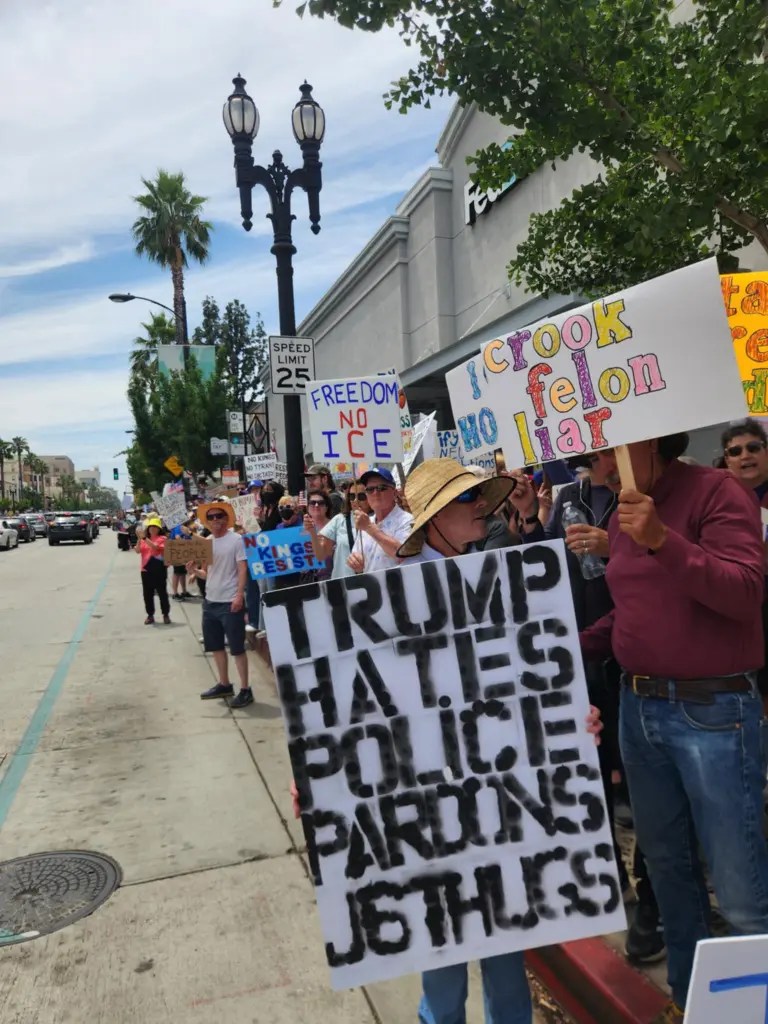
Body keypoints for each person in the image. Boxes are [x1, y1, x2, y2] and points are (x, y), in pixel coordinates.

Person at [393, 458, 604, 1024]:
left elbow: (517, 672)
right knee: (444, 932)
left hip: (496, 785)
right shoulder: (393, 591)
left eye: (483, 497)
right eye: (468, 501)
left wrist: (565, 718)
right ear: (434, 518)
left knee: (506, 926)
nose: (482, 508)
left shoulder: (492, 575)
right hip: (433, 789)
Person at [580, 433, 768, 1024]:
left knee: (739, 885)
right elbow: (632, 607)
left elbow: (744, 592)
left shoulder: (720, 493)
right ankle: (693, 1004)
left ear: (650, 439)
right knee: (668, 870)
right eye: (592, 457)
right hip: (639, 712)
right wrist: (559, 645)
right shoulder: (619, 512)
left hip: (712, 712)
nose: (598, 468)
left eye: (607, 452)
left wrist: (664, 540)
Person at [187, 501, 252, 709]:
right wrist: (195, 572)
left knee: (237, 648)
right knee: (215, 646)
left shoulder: (236, 540)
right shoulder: (207, 542)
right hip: (211, 601)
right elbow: (207, 573)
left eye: (219, 517)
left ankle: (245, 689)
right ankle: (224, 683)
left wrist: (239, 595)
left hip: (230, 601)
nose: (215, 521)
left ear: (226, 519)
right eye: (211, 518)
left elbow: (242, 569)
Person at [346, 467, 413, 573]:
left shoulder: (407, 521)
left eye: (382, 488)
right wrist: (355, 561)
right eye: (370, 489)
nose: (375, 493)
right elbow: (357, 558)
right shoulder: (366, 522)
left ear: (395, 493)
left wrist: (370, 528)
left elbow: (402, 554)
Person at [305, 478, 370, 579]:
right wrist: (312, 532)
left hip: (373, 582)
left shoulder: (379, 519)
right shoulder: (340, 519)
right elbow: (321, 555)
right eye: (351, 496)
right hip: (344, 583)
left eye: (361, 496)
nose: (355, 501)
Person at [135, 517, 171, 625]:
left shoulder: (162, 538)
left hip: (158, 568)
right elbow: (137, 551)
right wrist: (139, 539)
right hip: (145, 569)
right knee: (147, 593)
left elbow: (155, 547)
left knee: (162, 592)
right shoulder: (144, 539)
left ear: (159, 529)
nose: (153, 529)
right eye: (151, 527)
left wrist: (144, 538)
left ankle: (165, 614)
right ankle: (150, 615)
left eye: (155, 527)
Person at [301, 489, 333, 581]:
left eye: (321, 503)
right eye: (312, 502)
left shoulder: (335, 525)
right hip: (308, 580)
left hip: (331, 577)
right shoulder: (300, 530)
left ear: (327, 507)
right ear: (307, 507)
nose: (316, 505)